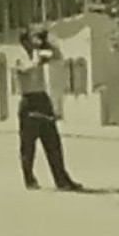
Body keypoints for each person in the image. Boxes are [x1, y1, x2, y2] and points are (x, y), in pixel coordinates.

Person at [14, 28, 82, 191]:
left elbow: (58, 57)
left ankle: (62, 179)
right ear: (24, 42)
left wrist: (48, 44)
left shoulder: (40, 54)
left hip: (42, 100)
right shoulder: (19, 57)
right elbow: (28, 68)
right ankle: (29, 178)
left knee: (53, 142)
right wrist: (39, 54)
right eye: (32, 39)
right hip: (29, 101)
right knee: (28, 145)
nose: (35, 42)